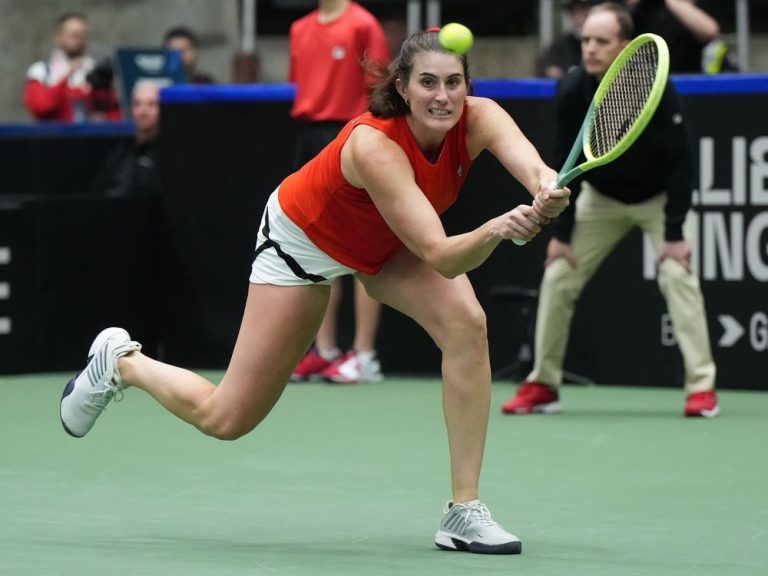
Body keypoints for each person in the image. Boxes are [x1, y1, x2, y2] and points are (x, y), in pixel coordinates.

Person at [59, 29, 570, 554]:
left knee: (467, 326)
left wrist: (544, 187)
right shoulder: (374, 146)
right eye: (428, 83)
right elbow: (440, 256)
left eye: (454, 83)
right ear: (402, 86)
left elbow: (535, 170)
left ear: (468, 86)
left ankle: (463, 511)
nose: (442, 96)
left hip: (387, 243)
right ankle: (121, 362)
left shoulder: (481, 116)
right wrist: (500, 228)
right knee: (226, 418)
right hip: (302, 246)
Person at [500, 2, 719, 418]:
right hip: (600, 200)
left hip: (657, 199)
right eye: (585, 40)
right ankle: (543, 384)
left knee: (678, 274)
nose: (590, 49)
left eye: (602, 41)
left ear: (625, 46)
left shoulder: (658, 89)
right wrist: (561, 237)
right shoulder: (572, 90)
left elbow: (680, 165)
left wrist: (674, 234)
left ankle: (702, 388)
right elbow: (570, 167)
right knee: (559, 275)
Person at [288, 0, 390, 383]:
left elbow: (381, 92)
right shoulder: (299, 29)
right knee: (316, 245)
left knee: (364, 247)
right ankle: (325, 349)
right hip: (310, 138)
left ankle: (364, 355)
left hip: (353, 139)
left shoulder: (363, 24)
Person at [24, 12, 121, 122]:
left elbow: (115, 114)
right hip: (54, 136)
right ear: (58, 37)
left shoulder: (95, 71)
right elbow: (41, 107)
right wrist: (67, 75)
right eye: (74, 35)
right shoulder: (41, 71)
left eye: (83, 35)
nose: (79, 41)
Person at [92, 80, 162, 198]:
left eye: (151, 104)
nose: (143, 111)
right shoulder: (121, 151)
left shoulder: (169, 153)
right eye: (137, 104)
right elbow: (99, 189)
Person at [627, 0, 720, 73]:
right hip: (644, 79)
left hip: (685, 81)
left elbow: (710, 31)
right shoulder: (641, 8)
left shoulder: (686, 7)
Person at [537, 0, 592, 79]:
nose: (578, 17)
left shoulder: (598, 45)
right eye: (574, 12)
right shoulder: (560, 45)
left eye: (582, 11)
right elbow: (551, 70)